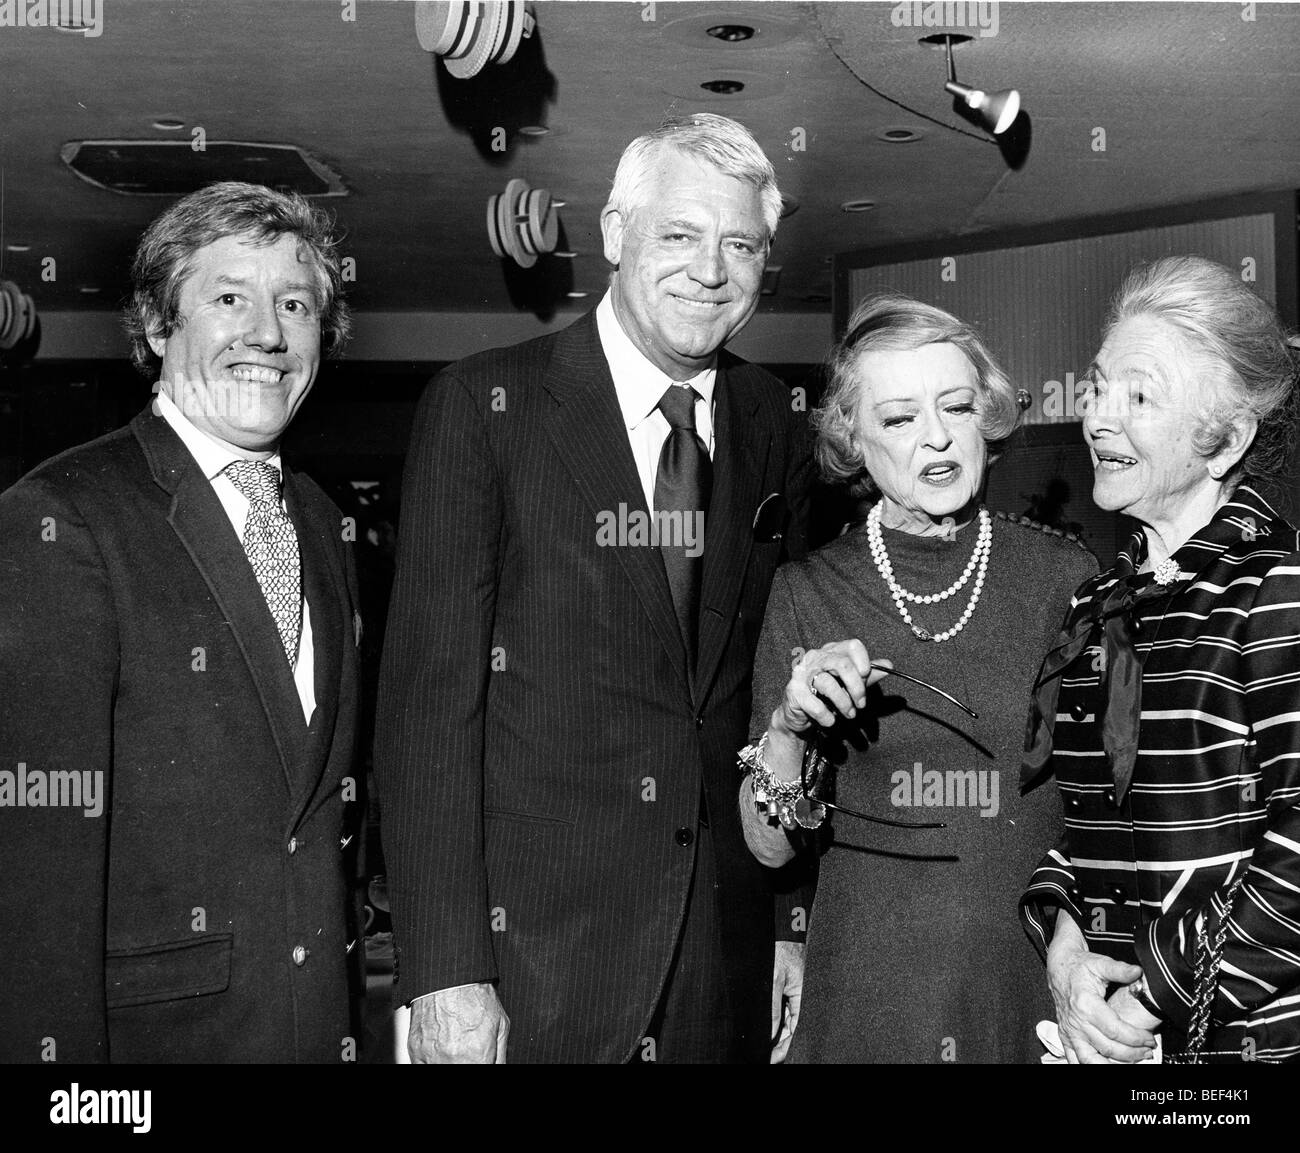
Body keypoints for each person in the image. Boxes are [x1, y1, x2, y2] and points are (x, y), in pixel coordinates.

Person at [374, 113, 813, 1064]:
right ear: (616, 234)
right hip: (533, 957)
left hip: (720, 955)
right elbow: (426, 710)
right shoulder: (484, 406)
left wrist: (787, 920)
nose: (711, 269)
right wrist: (445, 966)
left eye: (740, 244)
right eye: (680, 235)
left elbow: (773, 692)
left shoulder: (774, 420)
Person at [0, 182, 362, 1062]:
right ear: (159, 328)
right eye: (229, 297)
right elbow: (35, 873)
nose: (268, 334)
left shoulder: (321, 519)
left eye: (295, 304)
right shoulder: (63, 516)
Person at [739, 292, 1097, 1063]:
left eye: (958, 406)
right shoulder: (807, 592)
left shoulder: (1064, 579)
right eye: (900, 418)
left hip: (1029, 991)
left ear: (987, 416)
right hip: (865, 1007)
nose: (936, 437)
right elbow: (769, 850)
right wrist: (787, 730)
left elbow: (1109, 814)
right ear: (852, 439)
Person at [1020, 255, 1300, 1064]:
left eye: (1138, 396)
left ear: (1226, 439)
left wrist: (1152, 995)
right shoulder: (1095, 607)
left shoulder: (1278, 586)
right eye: (1099, 386)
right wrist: (1068, 953)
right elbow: (1095, 825)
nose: (1099, 418)